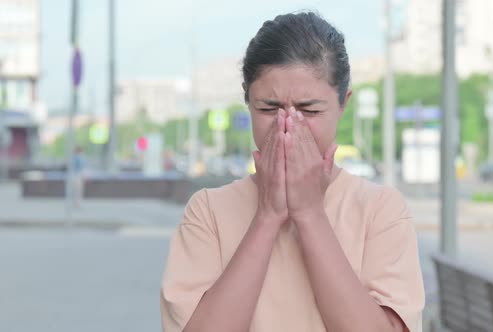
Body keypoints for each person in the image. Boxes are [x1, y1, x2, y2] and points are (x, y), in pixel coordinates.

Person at [160, 11, 424, 332]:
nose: (287, 124)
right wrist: (268, 215)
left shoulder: (381, 211)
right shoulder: (207, 212)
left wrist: (310, 213)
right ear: (248, 101)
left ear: (343, 104)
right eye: (268, 109)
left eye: (309, 110)